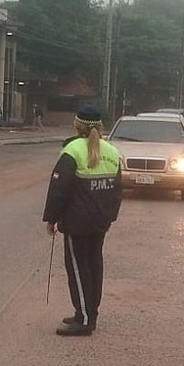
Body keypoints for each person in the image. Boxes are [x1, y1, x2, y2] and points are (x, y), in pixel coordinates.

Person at [42, 104, 122, 336]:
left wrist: (52, 218)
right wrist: (110, 216)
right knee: (94, 265)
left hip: (77, 223)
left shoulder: (73, 150)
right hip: (100, 222)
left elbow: (59, 188)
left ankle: (85, 320)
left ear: (77, 125)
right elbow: (117, 190)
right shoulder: (112, 151)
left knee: (78, 269)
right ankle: (88, 312)